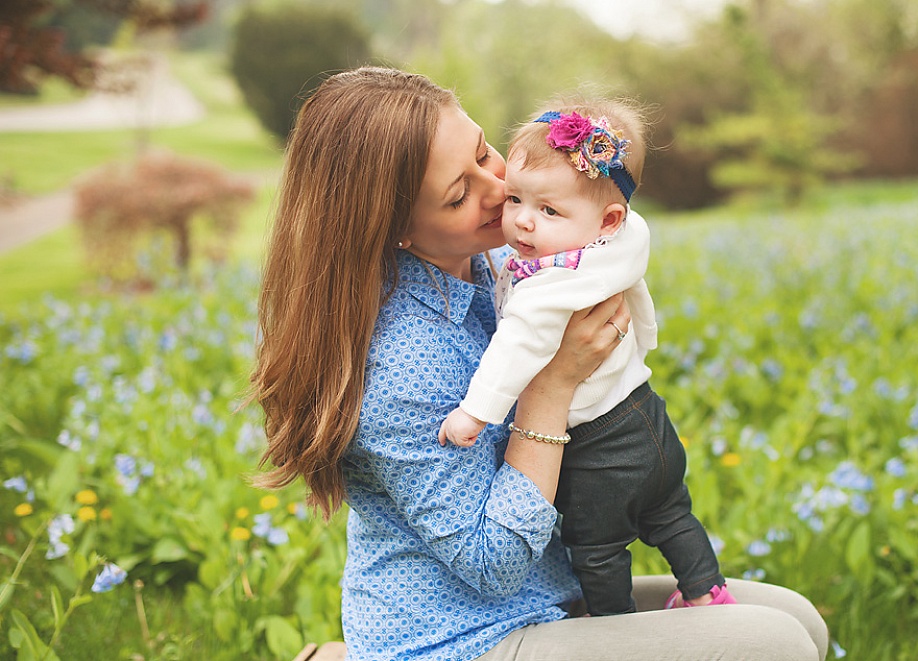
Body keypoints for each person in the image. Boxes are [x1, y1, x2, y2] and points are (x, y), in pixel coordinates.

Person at [251, 66, 828, 661]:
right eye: (459, 193)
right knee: (772, 646)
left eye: (484, 152)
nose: (498, 190)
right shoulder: (398, 363)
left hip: (553, 593)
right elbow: (493, 564)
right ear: (393, 229)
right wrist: (553, 387)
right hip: (463, 638)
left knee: (797, 619)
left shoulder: (496, 254)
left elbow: (618, 227)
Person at [438, 99, 733, 616]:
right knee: (670, 512)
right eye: (516, 200)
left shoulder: (549, 288)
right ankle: (706, 591)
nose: (524, 224)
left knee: (597, 551)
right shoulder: (619, 240)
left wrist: (476, 412)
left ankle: (611, 628)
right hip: (648, 419)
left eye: (549, 211)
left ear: (606, 218)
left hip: (598, 448)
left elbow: (516, 348)